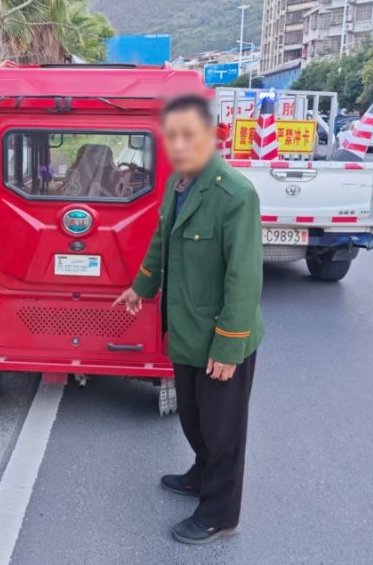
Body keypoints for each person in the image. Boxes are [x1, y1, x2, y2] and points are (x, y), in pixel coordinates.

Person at [113, 95, 264, 544]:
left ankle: (220, 514)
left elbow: (244, 277)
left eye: (189, 136)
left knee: (223, 431)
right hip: (185, 329)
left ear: (211, 137)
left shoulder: (235, 195)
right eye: (172, 137)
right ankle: (201, 475)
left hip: (220, 335)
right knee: (194, 419)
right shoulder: (177, 185)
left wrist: (229, 346)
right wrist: (140, 288)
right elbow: (163, 241)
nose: (179, 145)